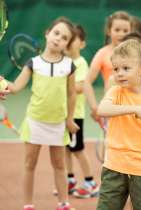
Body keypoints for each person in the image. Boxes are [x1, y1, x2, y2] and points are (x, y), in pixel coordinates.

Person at [5, 17, 79, 210]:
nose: (58, 39)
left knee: (59, 165)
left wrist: (70, 119)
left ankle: (63, 203)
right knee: (30, 163)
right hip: (35, 122)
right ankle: (28, 204)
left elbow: (72, 95)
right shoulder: (33, 63)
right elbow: (15, 87)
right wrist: (2, 83)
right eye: (56, 33)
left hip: (58, 124)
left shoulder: (69, 65)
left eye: (64, 38)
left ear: (66, 44)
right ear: (47, 33)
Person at [96, 39, 141, 210]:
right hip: (114, 166)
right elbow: (102, 109)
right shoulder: (115, 92)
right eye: (115, 69)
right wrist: (136, 109)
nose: (119, 73)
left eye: (126, 68)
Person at [64, 24, 99, 198]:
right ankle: (70, 180)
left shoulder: (80, 63)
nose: (69, 42)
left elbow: (79, 87)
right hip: (61, 116)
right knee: (65, 149)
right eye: (67, 38)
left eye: (73, 39)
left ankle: (90, 182)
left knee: (77, 149)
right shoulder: (62, 62)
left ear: (82, 44)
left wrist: (58, 84)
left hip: (75, 116)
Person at [84, 11, 133, 124]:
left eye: (125, 31)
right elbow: (87, 82)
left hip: (132, 107)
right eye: (117, 30)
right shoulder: (102, 53)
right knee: (112, 141)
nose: (121, 34)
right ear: (108, 31)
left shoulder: (135, 52)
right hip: (111, 109)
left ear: (131, 32)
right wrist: (95, 108)